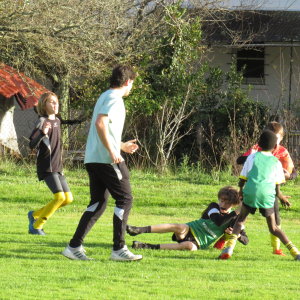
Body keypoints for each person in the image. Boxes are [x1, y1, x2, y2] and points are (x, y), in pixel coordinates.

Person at [62, 65, 142, 261]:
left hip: (93, 158)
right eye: (133, 83)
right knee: (125, 199)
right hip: (106, 160)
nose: (132, 87)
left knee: (98, 203)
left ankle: (74, 247)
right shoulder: (115, 99)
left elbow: (104, 129)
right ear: (128, 82)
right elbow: (100, 123)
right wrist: (113, 151)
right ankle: (119, 249)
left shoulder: (104, 95)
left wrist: (120, 145)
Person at [219, 130, 300, 260]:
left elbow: (242, 178)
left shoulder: (252, 157)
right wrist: (282, 198)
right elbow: (277, 187)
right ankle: (295, 252)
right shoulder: (276, 162)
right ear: (275, 147)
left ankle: (229, 248)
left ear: (258, 144)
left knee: (240, 220)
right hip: (267, 195)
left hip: (250, 192)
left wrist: (241, 190)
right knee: (273, 228)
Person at [126, 186, 248, 251]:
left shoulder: (234, 220)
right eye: (221, 200)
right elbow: (218, 221)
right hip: (189, 231)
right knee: (180, 226)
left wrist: (236, 235)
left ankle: (146, 246)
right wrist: (237, 212)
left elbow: (246, 240)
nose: (222, 204)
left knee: (189, 247)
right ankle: (138, 230)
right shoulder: (213, 207)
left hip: (198, 243)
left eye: (226, 203)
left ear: (233, 205)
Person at [28, 92, 73, 235]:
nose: (55, 104)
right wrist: (42, 133)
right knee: (59, 197)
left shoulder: (58, 121)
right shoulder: (42, 121)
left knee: (68, 199)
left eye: (56, 102)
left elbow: (56, 146)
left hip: (57, 167)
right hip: (46, 166)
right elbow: (31, 144)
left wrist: (61, 166)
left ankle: (35, 214)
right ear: (44, 105)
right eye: (51, 102)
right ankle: (36, 226)